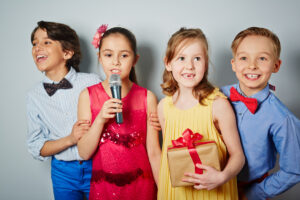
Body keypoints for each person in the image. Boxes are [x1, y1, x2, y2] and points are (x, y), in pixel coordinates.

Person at [157, 27, 245, 200]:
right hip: (176, 194)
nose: (189, 66)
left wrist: (222, 176)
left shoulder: (218, 104)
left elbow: (238, 156)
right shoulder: (163, 107)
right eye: (181, 58)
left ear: (205, 63)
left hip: (213, 193)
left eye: (197, 58)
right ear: (168, 63)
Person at [77, 25, 161, 200]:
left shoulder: (148, 98)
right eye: (108, 55)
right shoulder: (87, 96)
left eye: (124, 55)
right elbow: (84, 152)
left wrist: (165, 192)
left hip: (141, 187)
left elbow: (154, 152)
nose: (116, 61)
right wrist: (100, 120)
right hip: (104, 189)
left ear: (135, 60)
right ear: (99, 58)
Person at [221, 27, 300, 200]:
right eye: (243, 58)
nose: (252, 65)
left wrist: (254, 194)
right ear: (233, 63)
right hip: (211, 187)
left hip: (247, 191)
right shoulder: (216, 96)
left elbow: (295, 169)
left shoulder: (282, 118)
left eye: (262, 58)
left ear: (276, 65)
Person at [26, 21, 101, 200]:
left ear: (67, 52)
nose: (37, 48)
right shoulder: (34, 96)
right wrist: (70, 139)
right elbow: (36, 146)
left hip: (98, 164)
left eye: (47, 42)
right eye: (35, 43)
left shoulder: (92, 82)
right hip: (63, 172)